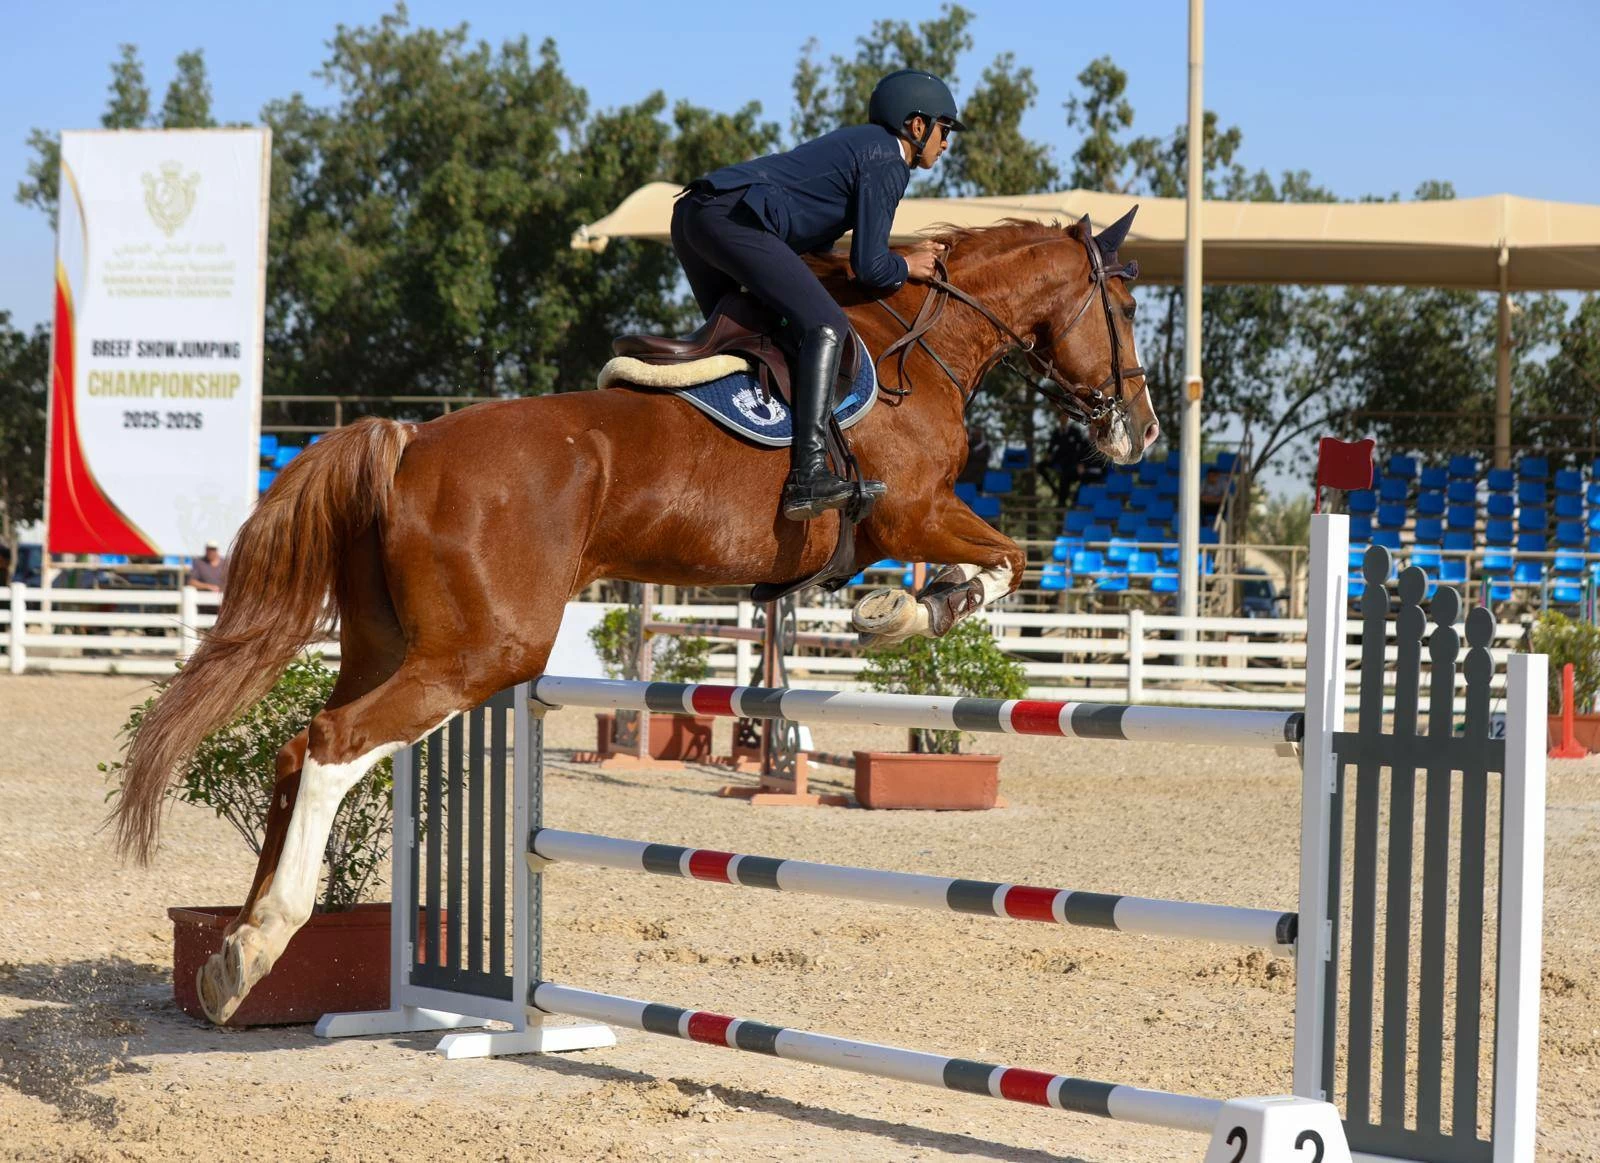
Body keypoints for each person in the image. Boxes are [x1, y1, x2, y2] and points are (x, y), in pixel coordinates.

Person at [672, 69, 964, 521]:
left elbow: (821, 257)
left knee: (753, 335)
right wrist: (908, 265)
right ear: (917, 125)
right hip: (733, 219)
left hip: (695, 215)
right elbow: (871, 267)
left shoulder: (858, 146)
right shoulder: (888, 157)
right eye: (944, 130)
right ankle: (807, 475)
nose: (946, 143)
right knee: (826, 325)